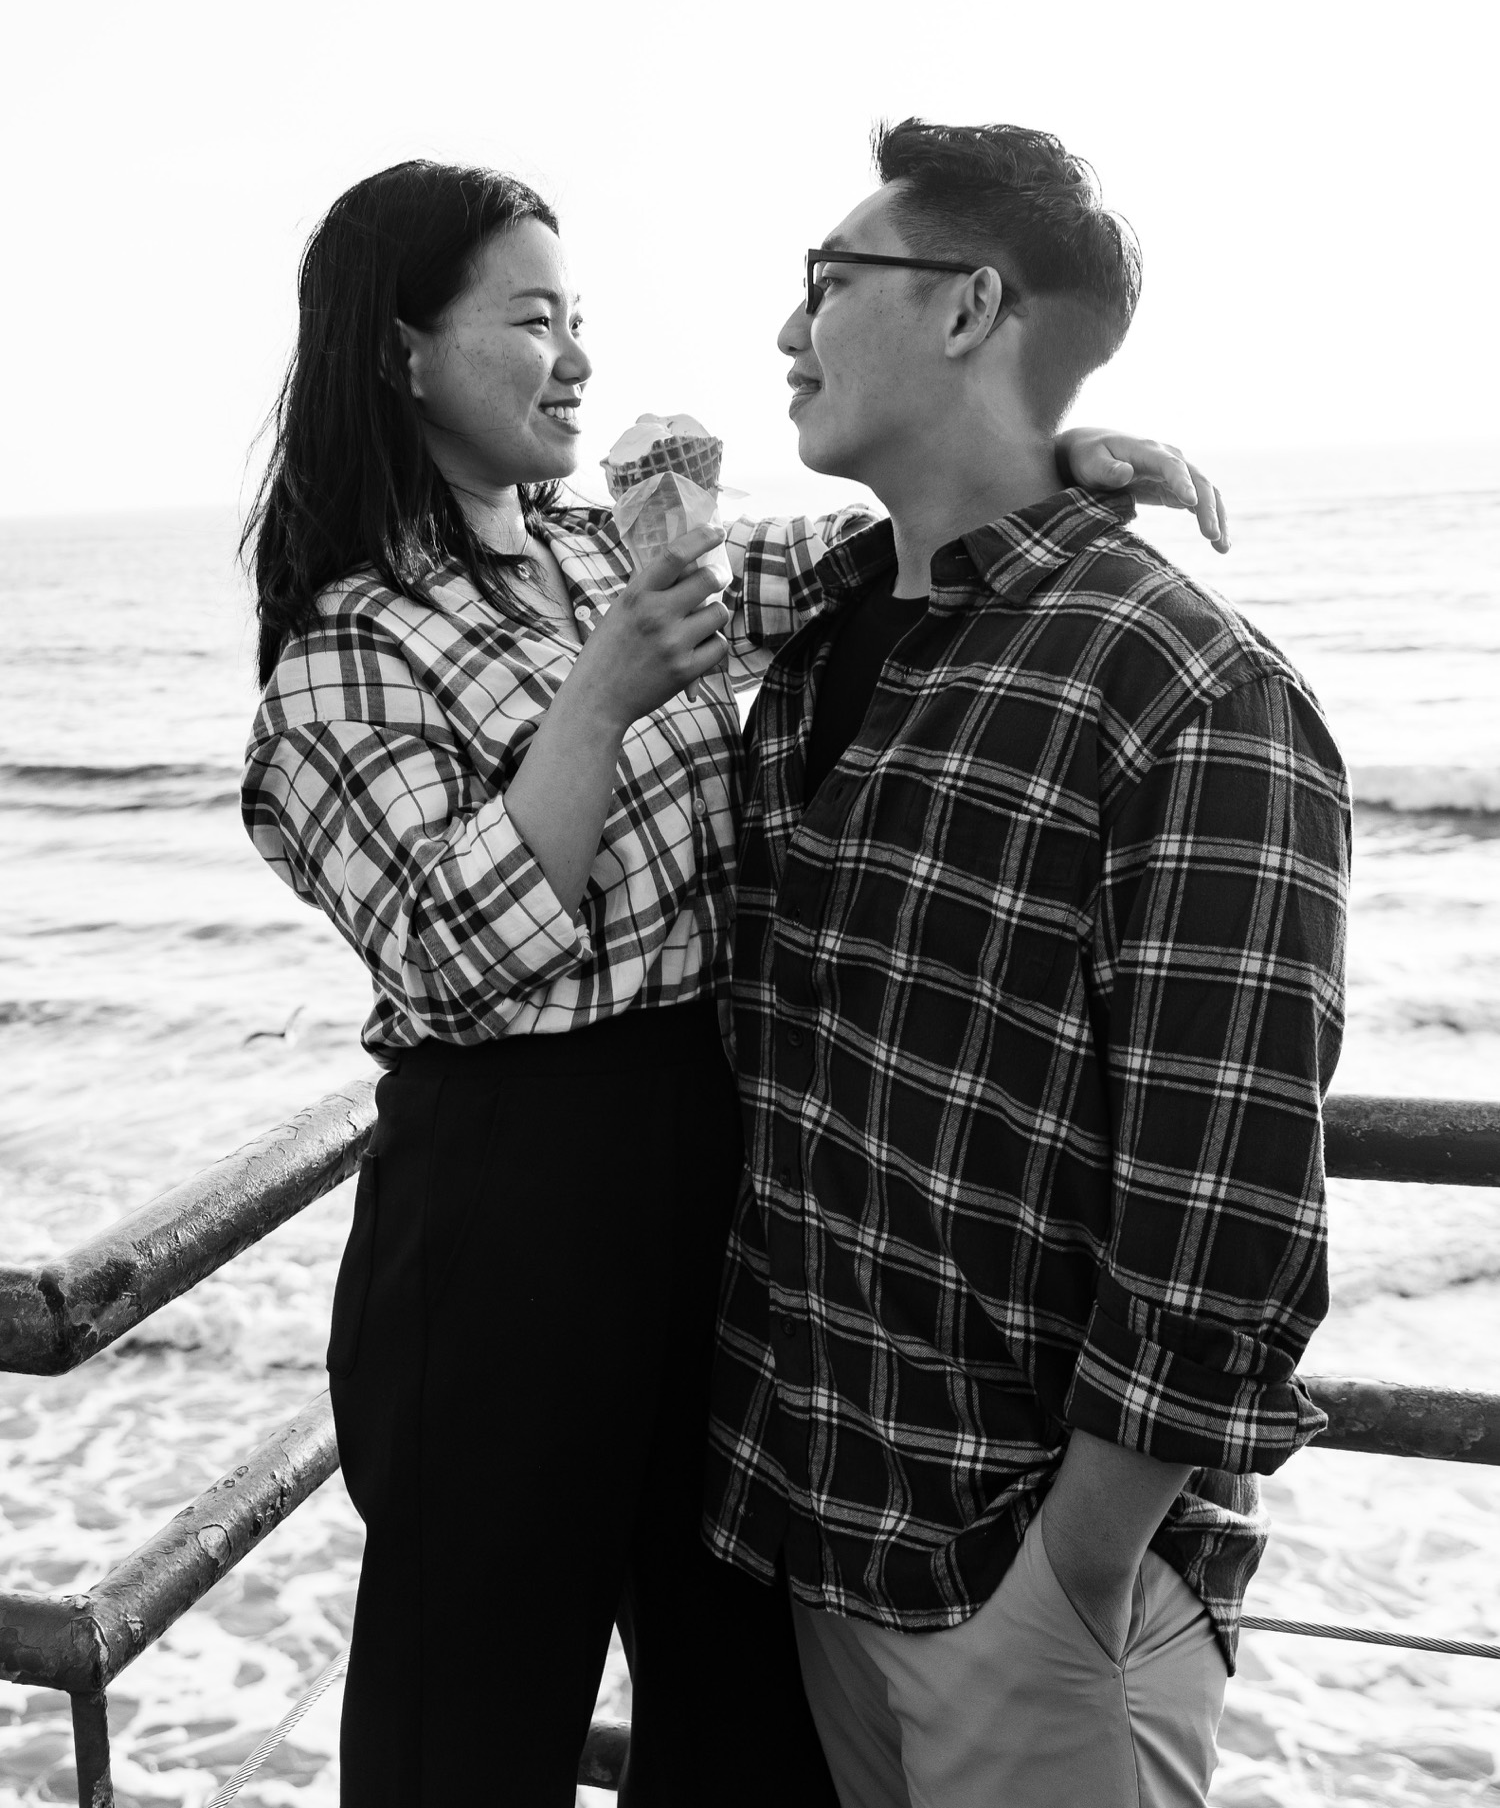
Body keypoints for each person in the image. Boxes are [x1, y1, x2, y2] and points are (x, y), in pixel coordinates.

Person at [239, 156, 1226, 1805]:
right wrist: (600, 699)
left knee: (739, 1707)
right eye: (533, 320)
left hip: (717, 1178)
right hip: (505, 1212)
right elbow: (450, 955)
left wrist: (1039, 456)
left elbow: (855, 561)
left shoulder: (609, 552)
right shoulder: (345, 649)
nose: (576, 361)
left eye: (581, 322)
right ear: (402, 351)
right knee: (466, 1719)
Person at [705, 119, 1351, 1808]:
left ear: (971, 305)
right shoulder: (831, 634)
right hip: (820, 1527)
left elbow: (1222, 1205)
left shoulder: (1186, 687)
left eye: (828, 284)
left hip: (1027, 1583)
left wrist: (1069, 1574)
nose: (788, 331)